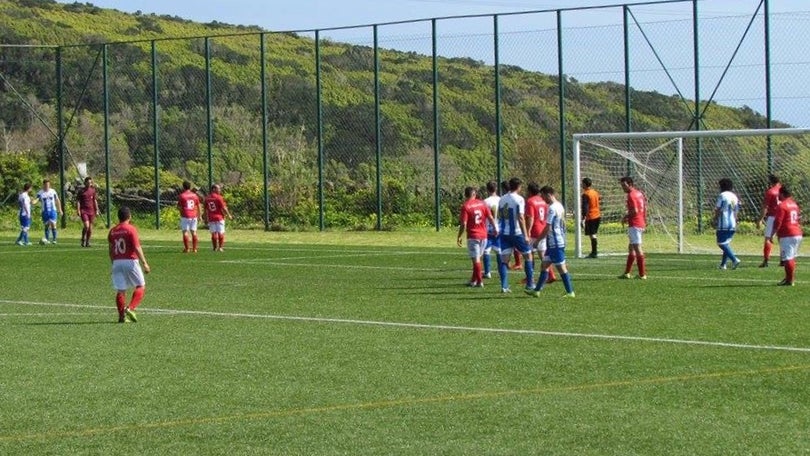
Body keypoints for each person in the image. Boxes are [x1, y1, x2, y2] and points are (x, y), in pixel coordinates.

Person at [526, 186, 575, 298]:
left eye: (543, 197)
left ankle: (570, 292)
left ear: (548, 194)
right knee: (544, 265)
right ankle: (536, 291)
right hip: (554, 242)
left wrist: (538, 241)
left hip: (555, 242)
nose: (543, 200)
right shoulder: (560, 206)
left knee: (561, 268)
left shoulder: (552, 208)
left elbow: (548, 227)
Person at [108, 206, 150, 323]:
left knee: (121, 290)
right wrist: (145, 263)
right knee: (140, 285)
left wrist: (114, 263)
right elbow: (137, 247)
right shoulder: (131, 229)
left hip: (117, 262)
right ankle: (130, 308)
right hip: (130, 261)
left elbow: (110, 250)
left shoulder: (113, 231)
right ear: (129, 216)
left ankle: (121, 317)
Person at [496, 177, 534, 293]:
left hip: (504, 233)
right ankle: (530, 284)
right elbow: (521, 217)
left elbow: (500, 215)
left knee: (504, 260)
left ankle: (504, 286)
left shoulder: (501, 199)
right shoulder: (519, 199)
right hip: (516, 233)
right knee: (528, 257)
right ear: (519, 187)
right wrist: (526, 235)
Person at [457, 186, 497, 288]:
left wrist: (459, 236)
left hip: (473, 236)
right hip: (484, 235)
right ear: (474, 194)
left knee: (476, 260)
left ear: (465, 195)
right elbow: (490, 217)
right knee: (478, 258)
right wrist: (495, 228)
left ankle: (479, 282)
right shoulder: (482, 203)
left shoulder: (465, 206)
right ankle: (473, 280)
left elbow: (464, 224)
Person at [525, 182, 556, 284]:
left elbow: (531, 218)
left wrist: (528, 231)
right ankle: (551, 275)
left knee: (530, 254)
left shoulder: (530, 201)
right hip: (543, 230)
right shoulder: (543, 201)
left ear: (529, 191)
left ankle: (530, 277)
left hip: (534, 230)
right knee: (543, 254)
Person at [771, 185, 802, 286]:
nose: (778, 196)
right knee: (791, 257)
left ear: (782, 193)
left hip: (787, 234)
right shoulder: (794, 204)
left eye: (779, 194)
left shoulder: (782, 205)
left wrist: (772, 233)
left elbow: (778, 221)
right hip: (797, 233)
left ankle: (790, 280)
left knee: (788, 257)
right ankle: (788, 278)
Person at [619, 176, 647, 279]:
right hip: (639, 222)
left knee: (637, 248)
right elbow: (644, 208)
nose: (623, 187)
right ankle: (627, 273)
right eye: (622, 185)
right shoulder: (639, 193)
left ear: (630, 184)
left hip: (635, 224)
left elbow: (635, 211)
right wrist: (644, 220)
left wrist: (625, 217)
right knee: (631, 247)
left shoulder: (631, 195)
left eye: (624, 185)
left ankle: (642, 274)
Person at [713, 178, 741, 270]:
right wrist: (736, 221)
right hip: (732, 223)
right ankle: (723, 265)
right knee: (726, 243)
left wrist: (715, 219)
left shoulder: (722, 195)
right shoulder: (734, 196)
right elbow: (736, 211)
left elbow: (718, 209)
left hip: (723, 223)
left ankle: (734, 259)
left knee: (721, 243)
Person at [757, 174, 781, 267]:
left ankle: (766, 260)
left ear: (771, 181)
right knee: (781, 238)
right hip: (783, 217)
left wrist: (760, 219)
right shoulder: (784, 191)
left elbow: (765, 207)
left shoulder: (771, 192)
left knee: (768, 238)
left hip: (772, 216)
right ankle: (783, 260)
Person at [204, 184, 233, 252]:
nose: (219, 190)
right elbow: (224, 207)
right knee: (221, 232)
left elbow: (205, 209)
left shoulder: (207, 198)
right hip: (219, 217)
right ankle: (220, 247)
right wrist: (228, 215)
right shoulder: (219, 197)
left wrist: (205, 218)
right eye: (218, 188)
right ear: (213, 189)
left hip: (211, 218)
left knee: (213, 233)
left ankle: (214, 248)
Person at [501, 180, 523, 271]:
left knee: (515, 248)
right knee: (516, 248)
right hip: (514, 229)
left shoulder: (504, 198)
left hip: (509, 229)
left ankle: (518, 263)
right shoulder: (516, 198)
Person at [482, 180, 501, 279]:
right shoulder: (501, 200)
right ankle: (500, 270)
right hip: (500, 227)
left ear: (487, 189)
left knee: (486, 251)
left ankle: (487, 272)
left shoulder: (486, 201)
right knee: (499, 251)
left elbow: (485, 216)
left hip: (489, 228)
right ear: (496, 188)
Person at [35, 179, 63, 244]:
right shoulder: (40, 192)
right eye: (46, 185)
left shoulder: (53, 191)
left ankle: (54, 239)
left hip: (53, 211)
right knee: (47, 225)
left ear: (49, 185)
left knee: (53, 224)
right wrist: (33, 202)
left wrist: (60, 209)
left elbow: (57, 200)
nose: (47, 186)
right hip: (45, 211)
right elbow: (37, 199)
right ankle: (47, 239)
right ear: (43, 185)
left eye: (48, 185)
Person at [178, 180, 202, 253]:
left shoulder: (182, 196)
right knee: (194, 232)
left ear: (183, 187)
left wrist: (181, 211)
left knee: (185, 232)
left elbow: (179, 206)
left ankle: (187, 249)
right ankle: (194, 249)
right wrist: (199, 215)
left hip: (185, 215)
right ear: (190, 187)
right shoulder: (195, 195)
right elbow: (198, 206)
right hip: (193, 215)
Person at [581, 177, 601, 258]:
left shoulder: (586, 194)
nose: (581, 185)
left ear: (585, 184)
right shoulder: (595, 192)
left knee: (592, 235)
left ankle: (594, 252)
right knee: (593, 234)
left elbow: (585, 207)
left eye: (582, 183)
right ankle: (594, 252)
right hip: (598, 215)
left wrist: (583, 218)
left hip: (591, 216)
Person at [76, 176, 100, 247]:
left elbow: (94, 200)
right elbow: (78, 201)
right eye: (88, 182)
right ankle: (83, 238)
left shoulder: (93, 190)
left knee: (90, 228)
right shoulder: (81, 191)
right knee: (86, 226)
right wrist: (78, 210)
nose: (89, 183)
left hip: (91, 211)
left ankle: (88, 242)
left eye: (90, 182)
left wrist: (97, 210)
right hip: (84, 211)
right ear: (85, 183)